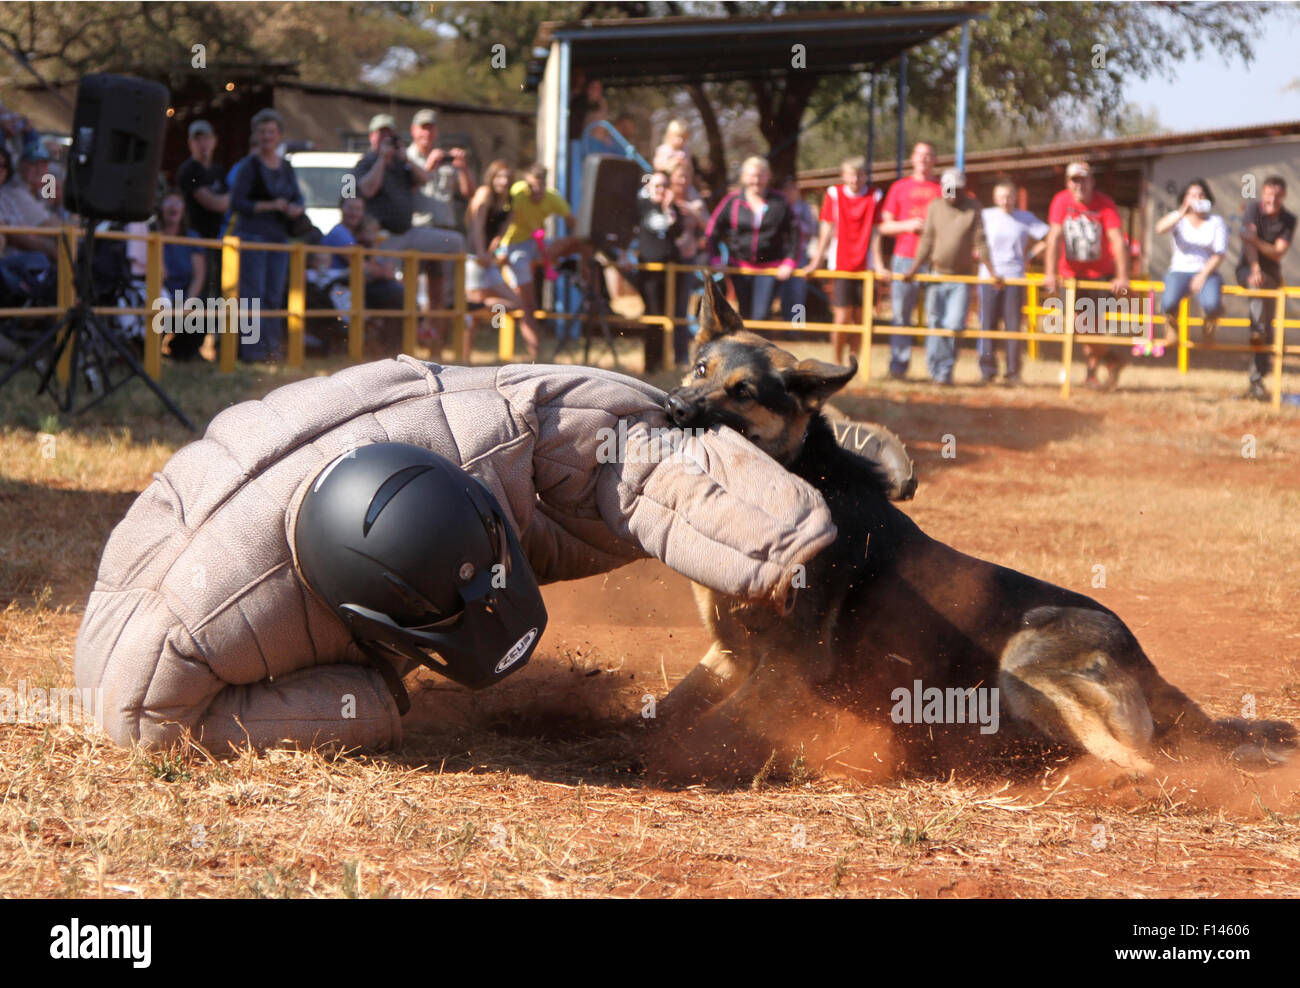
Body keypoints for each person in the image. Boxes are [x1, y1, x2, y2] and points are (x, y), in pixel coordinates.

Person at [73, 357, 837, 753]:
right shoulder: (170, 672)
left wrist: (778, 546)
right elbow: (144, 718)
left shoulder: (518, 428)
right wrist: (369, 703)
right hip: (162, 675)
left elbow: (630, 459)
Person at [353, 113, 466, 334]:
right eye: (381, 134)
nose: (386, 139)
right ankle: (387, 332)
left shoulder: (401, 163)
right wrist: (381, 160)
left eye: (390, 135)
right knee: (393, 288)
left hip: (408, 232)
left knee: (455, 242)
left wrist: (404, 159)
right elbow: (367, 189)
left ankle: (454, 306)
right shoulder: (366, 162)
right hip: (382, 238)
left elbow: (424, 179)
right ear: (372, 137)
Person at [900, 170, 996, 385]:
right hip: (936, 275)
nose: (952, 194)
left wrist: (993, 272)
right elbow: (927, 240)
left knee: (953, 325)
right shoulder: (935, 207)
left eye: (957, 190)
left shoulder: (974, 208)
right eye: (949, 190)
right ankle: (937, 370)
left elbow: (980, 242)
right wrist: (914, 269)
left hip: (961, 278)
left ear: (964, 190)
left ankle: (944, 369)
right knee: (935, 323)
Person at [1043, 160, 1130, 390]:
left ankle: (1092, 374)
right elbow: (1053, 238)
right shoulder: (1061, 201)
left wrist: (1122, 277)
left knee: (1095, 327)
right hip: (1070, 275)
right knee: (1076, 323)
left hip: (1100, 275)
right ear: (1068, 183)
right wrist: (1050, 272)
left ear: (1092, 181)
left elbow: (1117, 241)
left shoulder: (1105, 204)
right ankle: (1112, 360)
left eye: (1083, 179)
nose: (1079, 185)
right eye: (1074, 180)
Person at [229, 108, 304, 362]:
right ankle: (252, 353)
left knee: (274, 296)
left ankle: (273, 351)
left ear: (279, 135)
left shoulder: (286, 166)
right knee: (253, 296)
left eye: (271, 132)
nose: (266, 137)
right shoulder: (248, 166)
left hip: (279, 239)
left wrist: (294, 209)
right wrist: (272, 206)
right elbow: (237, 202)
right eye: (262, 132)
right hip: (253, 237)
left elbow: (298, 199)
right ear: (256, 135)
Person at [803, 156, 887, 366]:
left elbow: (876, 232)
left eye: (859, 175)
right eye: (851, 175)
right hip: (841, 263)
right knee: (842, 317)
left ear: (865, 176)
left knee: (860, 318)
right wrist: (816, 261)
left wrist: (879, 264)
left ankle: (854, 362)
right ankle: (836, 361)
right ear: (843, 176)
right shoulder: (834, 194)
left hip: (864, 264)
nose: (855, 179)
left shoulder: (874, 196)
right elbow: (826, 229)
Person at [496, 163, 580, 360]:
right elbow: (505, 222)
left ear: (545, 184)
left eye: (538, 186)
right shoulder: (518, 193)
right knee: (527, 303)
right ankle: (536, 355)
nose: (534, 191)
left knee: (584, 243)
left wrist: (555, 250)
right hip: (514, 248)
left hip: (537, 246)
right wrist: (499, 248)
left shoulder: (552, 197)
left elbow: (574, 225)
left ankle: (588, 286)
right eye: (530, 186)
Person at [705, 156, 797, 322]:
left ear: (768, 177)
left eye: (761, 175)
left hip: (769, 268)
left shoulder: (780, 202)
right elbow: (712, 229)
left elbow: (795, 232)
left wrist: (789, 261)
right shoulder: (733, 201)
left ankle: (759, 347)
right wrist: (716, 258)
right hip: (740, 267)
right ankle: (747, 348)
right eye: (752, 175)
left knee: (761, 315)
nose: (756, 180)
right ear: (744, 177)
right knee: (744, 314)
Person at [879, 142, 942, 379]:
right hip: (905, 258)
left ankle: (937, 371)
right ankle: (898, 367)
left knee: (937, 316)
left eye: (929, 155)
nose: (924, 159)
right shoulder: (899, 187)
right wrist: (908, 225)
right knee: (900, 315)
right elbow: (884, 226)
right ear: (913, 159)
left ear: (935, 160)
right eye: (920, 155)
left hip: (936, 260)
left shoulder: (943, 188)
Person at [977, 180, 1048, 385]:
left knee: (1013, 326)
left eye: (1009, 196)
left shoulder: (1025, 218)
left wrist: (1030, 255)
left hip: (1015, 277)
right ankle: (987, 371)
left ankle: (1013, 372)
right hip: (989, 278)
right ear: (994, 198)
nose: (1005, 201)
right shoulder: (986, 216)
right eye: (1001, 197)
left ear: (1015, 198)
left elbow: (1049, 235)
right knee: (988, 324)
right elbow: (978, 242)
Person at [1235, 175, 1295, 401]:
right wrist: (1255, 268)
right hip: (1248, 270)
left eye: (1277, 195)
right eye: (1269, 193)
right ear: (1263, 193)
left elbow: (1278, 252)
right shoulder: (1252, 209)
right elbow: (1247, 243)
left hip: (1272, 276)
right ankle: (1257, 330)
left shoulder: (1288, 219)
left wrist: (1256, 241)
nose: (1273, 198)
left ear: (1283, 196)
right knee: (1255, 286)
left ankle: (1257, 380)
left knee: (1268, 330)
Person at [1153, 179, 1228, 349]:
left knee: (1212, 305)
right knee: (1168, 303)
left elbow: (1219, 253)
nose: (1197, 198)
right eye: (1192, 195)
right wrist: (1181, 212)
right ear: (1184, 198)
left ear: (1208, 198)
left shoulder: (1216, 222)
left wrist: (1202, 276)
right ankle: (1172, 328)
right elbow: (1160, 229)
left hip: (1207, 271)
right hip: (1179, 271)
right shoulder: (1177, 218)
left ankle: (1210, 324)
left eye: (1201, 195)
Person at [175, 119, 229, 350]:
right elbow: (216, 202)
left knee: (216, 293)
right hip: (194, 243)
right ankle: (185, 346)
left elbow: (227, 202)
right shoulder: (189, 170)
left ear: (214, 141)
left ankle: (211, 344)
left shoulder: (218, 171)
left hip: (216, 242)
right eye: (198, 139)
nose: (203, 143)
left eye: (206, 138)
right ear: (190, 143)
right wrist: (225, 202)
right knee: (198, 293)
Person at [636, 170, 684, 364]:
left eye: (664, 185)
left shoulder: (673, 209)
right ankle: (651, 363)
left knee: (668, 316)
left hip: (671, 271)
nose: (660, 190)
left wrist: (668, 207)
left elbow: (677, 231)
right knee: (653, 314)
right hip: (649, 271)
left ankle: (664, 361)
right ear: (649, 187)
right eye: (656, 185)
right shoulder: (641, 206)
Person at [151, 190, 207, 359]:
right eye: (169, 202)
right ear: (161, 208)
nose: (174, 207)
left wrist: (188, 303)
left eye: (178, 203)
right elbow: (159, 274)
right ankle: (150, 351)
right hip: (158, 295)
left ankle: (181, 351)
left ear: (184, 210)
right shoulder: (153, 235)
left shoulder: (192, 237)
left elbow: (199, 275)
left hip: (185, 296)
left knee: (207, 312)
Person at [464, 160, 519, 314]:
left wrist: (493, 255)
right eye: (499, 177)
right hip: (474, 257)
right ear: (491, 177)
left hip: (488, 260)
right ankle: (473, 306)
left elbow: (499, 236)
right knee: (472, 312)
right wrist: (481, 253)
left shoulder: (510, 202)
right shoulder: (485, 193)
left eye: (507, 178)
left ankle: (480, 306)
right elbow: (477, 226)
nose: (504, 181)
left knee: (515, 303)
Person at [408, 108, 472, 238]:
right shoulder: (406, 158)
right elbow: (404, 191)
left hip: (447, 230)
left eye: (431, 128)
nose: (427, 133)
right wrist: (429, 167)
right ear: (413, 130)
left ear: (436, 131)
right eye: (423, 128)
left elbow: (468, 193)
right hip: (419, 228)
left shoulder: (444, 158)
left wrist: (463, 169)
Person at [0, 144, 59, 263]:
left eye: (43, 165)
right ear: (21, 165)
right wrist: (51, 249)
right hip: (16, 263)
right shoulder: (15, 192)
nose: (39, 170)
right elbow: (50, 225)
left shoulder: (40, 193)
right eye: (33, 164)